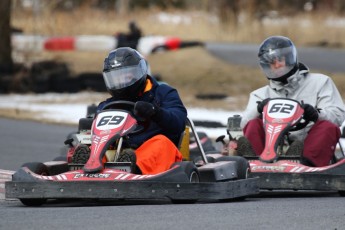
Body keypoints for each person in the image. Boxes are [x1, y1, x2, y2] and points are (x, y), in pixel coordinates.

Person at [239, 35, 345, 167]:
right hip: (270, 147)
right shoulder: (260, 95)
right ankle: (255, 162)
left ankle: (303, 163)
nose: (277, 65)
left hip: (308, 144)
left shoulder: (320, 82)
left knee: (328, 127)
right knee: (253, 123)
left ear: (290, 58)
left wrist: (316, 114)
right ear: (266, 66)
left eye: (280, 60)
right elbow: (244, 124)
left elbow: (338, 115)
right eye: (272, 62)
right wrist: (259, 109)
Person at [97, 47, 187, 174]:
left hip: (151, 153)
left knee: (162, 143)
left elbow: (178, 122)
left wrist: (156, 112)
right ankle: (88, 166)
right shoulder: (109, 105)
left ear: (138, 72)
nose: (122, 81)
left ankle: (133, 168)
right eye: (117, 77)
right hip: (119, 152)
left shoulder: (163, 93)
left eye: (127, 75)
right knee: (91, 145)